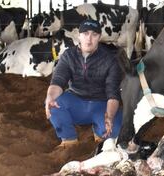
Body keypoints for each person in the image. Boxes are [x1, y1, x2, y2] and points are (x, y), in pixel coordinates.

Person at [44, 19, 123, 148]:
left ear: (99, 37)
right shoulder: (68, 55)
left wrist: (109, 116)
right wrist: (50, 96)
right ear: (79, 35)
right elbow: (58, 81)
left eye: (94, 35)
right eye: (85, 34)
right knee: (53, 104)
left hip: (101, 104)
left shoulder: (110, 60)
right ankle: (69, 139)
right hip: (75, 101)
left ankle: (99, 130)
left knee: (114, 132)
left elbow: (113, 93)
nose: (89, 39)